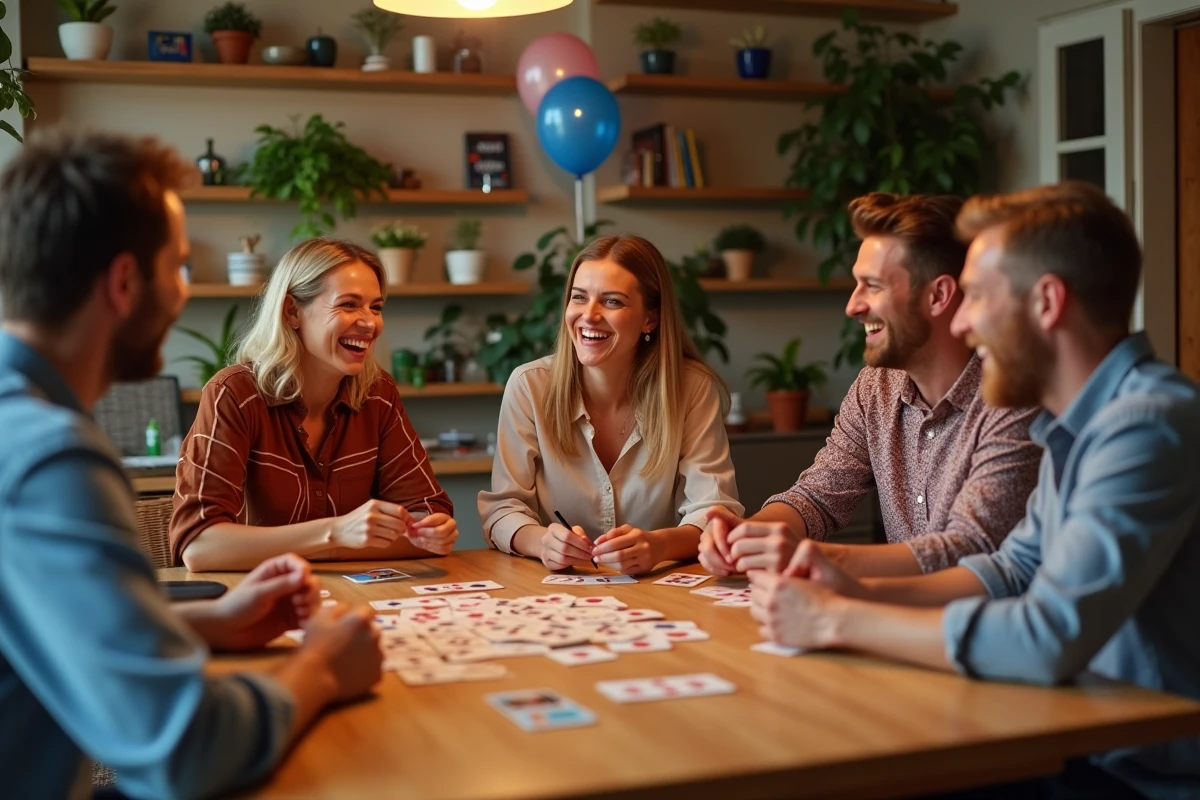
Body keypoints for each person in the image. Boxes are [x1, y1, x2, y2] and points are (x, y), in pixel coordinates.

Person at [750, 182, 1200, 799]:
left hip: (1141, 775)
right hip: (1075, 739)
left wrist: (839, 619)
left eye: (980, 296)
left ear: (1046, 302)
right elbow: (1011, 568)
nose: (960, 321)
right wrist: (853, 582)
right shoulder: (1078, 420)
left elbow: (1048, 637)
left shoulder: (1146, 424)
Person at [0, 129, 383, 799]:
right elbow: (184, 749)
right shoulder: (49, 458)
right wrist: (319, 667)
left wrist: (207, 622)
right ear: (124, 282)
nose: (183, 293)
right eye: (178, 267)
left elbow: (36, 634)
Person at [700, 193, 1042, 580]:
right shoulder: (876, 386)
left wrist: (811, 557)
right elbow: (818, 497)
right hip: (895, 619)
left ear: (938, 296)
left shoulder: (1014, 395)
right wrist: (748, 536)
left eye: (872, 285)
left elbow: (971, 548)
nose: (852, 306)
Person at [170, 238, 457, 571]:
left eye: (375, 307)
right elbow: (199, 546)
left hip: (353, 601)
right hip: (254, 602)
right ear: (292, 311)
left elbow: (428, 520)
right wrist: (336, 533)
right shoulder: (234, 393)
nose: (369, 322)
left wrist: (428, 534)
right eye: (349, 305)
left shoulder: (378, 394)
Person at [478, 234, 742, 575]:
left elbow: (717, 512)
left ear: (650, 318)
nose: (589, 316)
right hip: (556, 596)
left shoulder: (692, 389)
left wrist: (659, 545)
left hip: (662, 594)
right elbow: (502, 509)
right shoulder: (529, 386)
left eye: (612, 302)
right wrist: (541, 542)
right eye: (578, 298)